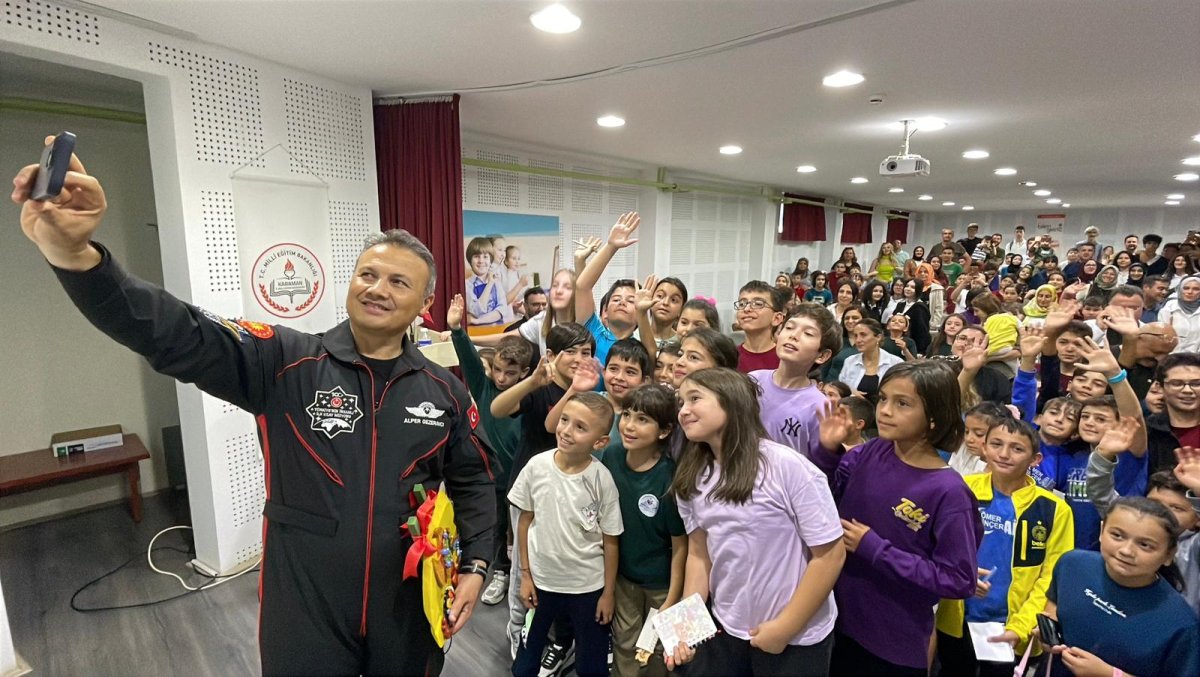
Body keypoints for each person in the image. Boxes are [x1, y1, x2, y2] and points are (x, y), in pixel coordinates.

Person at [11, 146, 497, 675]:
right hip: (304, 603)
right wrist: (79, 259)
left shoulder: (444, 391)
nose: (377, 289)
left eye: (398, 282)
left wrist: (475, 565)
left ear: (425, 304)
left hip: (409, 599)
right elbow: (176, 332)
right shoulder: (285, 360)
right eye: (367, 275)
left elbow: (475, 480)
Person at [666, 368, 845, 676]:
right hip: (728, 626)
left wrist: (785, 628)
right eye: (681, 402)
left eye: (695, 399)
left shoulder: (788, 467)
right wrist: (687, 629)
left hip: (796, 637)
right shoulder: (692, 476)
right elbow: (699, 554)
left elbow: (830, 555)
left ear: (732, 402)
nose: (683, 411)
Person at [813, 362, 982, 675]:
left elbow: (959, 579)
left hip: (892, 641)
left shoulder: (949, 491)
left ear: (934, 418)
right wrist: (827, 451)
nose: (885, 411)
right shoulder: (871, 451)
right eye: (883, 399)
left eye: (902, 403)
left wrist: (877, 550)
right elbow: (825, 499)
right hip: (836, 620)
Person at [936, 418, 1074, 677]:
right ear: (984, 448)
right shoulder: (961, 488)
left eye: (1017, 448)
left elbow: (1052, 577)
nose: (1004, 454)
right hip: (955, 620)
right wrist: (959, 575)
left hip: (1012, 629)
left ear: (1035, 459)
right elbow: (937, 545)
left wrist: (1021, 626)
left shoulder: (1055, 509)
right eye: (996, 444)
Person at [492, 322, 596, 661]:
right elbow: (498, 409)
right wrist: (532, 381)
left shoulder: (590, 391)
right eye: (571, 352)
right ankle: (517, 630)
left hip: (570, 495)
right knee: (524, 567)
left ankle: (555, 634)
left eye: (586, 352)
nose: (580, 358)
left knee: (559, 564)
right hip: (530, 491)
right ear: (551, 355)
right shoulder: (540, 387)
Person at [509, 392, 623, 677]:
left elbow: (610, 540)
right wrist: (525, 575)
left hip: (587, 587)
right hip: (541, 581)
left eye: (580, 427)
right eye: (564, 420)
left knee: (592, 666)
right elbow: (524, 521)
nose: (567, 431)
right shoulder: (536, 466)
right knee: (526, 662)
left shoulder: (602, 479)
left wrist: (608, 593)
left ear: (600, 442)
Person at [1044, 498, 1200, 677]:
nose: (1126, 551)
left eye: (1145, 545)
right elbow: (1054, 606)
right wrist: (1048, 634)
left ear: (1169, 554)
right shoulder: (1072, 564)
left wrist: (1111, 674)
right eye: (1117, 535)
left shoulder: (1181, 623)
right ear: (1102, 531)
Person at [448, 296, 535, 606]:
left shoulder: (529, 396)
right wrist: (456, 329)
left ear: (524, 372)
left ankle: (525, 574)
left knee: (522, 529)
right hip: (491, 475)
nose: (500, 377)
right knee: (495, 527)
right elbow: (469, 359)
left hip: (520, 475)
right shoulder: (484, 386)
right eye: (497, 370)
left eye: (509, 373)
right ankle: (500, 571)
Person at [601, 385, 687, 677]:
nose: (629, 425)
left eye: (642, 420)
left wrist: (672, 599)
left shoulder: (669, 478)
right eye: (626, 415)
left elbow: (681, 546)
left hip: (661, 584)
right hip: (624, 578)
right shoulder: (612, 456)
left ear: (664, 431)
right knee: (625, 643)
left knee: (657, 649)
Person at [750, 305, 841, 456]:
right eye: (789, 327)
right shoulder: (753, 381)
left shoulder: (820, 407)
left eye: (808, 333)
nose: (793, 335)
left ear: (822, 355)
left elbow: (818, 463)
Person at [1145, 353, 1200, 474]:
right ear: (1159, 387)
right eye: (1177, 383)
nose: (1187, 390)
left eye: (1196, 384)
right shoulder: (1147, 431)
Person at [839, 318, 902, 404]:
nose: (858, 340)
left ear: (878, 337)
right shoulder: (849, 362)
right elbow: (841, 390)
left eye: (863, 335)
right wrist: (850, 392)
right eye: (855, 336)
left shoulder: (896, 363)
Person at [734, 281, 786, 373]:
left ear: (777, 318)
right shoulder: (729, 357)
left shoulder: (786, 359)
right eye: (742, 304)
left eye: (758, 304)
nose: (746, 309)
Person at [466, 235, 513, 325]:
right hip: (477, 332)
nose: (481, 261)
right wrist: (489, 284)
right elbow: (476, 311)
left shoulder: (496, 282)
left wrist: (478, 321)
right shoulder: (467, 285)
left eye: (485, 257)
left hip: (498, 329)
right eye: (476, 256)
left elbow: (502, 310)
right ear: (470, 260)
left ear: (490, 259)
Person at [1160, 276, 1200, 353]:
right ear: (1180, 289)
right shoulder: (1169, 308)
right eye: (1186, 288)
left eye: (1196, 289)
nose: (1190, 292)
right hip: (1171, 356)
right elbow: (1162, 337)